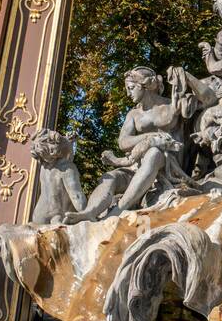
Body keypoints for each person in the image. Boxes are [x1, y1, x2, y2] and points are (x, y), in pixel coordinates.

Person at [62, 66, 195, 221]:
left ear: (144, 85)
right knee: (111, 177)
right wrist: (150, 136)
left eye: (131, 88)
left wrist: (186, 77)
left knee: (154, 153)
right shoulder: (133, 114)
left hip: (169, 163)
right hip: (138, 164)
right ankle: (90, 212)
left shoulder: (171, 106)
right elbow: (123, 142)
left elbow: (207, 100)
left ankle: (117, 211)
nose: (127, 93)